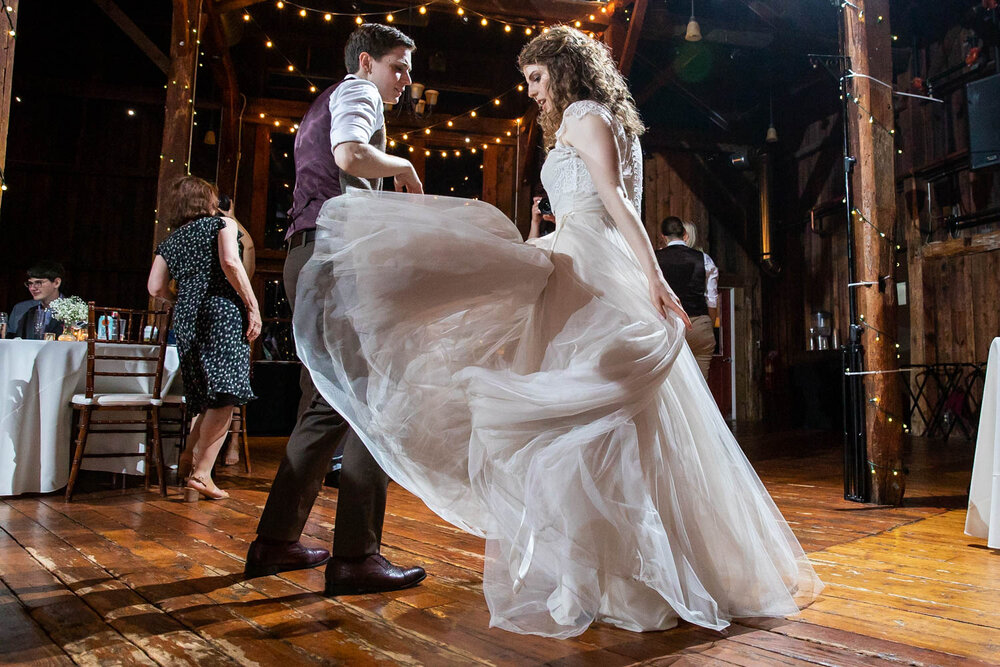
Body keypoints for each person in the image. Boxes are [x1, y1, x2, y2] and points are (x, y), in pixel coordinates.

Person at [295, 25, 821, 638]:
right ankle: (599, 569)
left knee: (602, 423)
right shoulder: (594, 120)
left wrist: (654, 279)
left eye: (538, 79)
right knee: (584, 426)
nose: (533, 93)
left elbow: (618, 204)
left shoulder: (588, 115)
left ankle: (631, 570)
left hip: (594, 276)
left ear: (566, 71)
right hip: (569, 262)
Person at [244, 24, 426, 597]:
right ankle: (355, 556)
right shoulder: (358, 92)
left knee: (326, 402)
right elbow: (350, 153)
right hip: (334, 259)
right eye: (398, 66)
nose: (405, 80)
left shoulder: (321, 105)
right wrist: (402, 167)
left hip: (307, 257)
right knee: (373, 401)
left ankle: (275, 542)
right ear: (367, 62)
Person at [147, 176, 260, 500]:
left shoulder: (171, 240)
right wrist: (252, 307)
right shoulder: (221, 224)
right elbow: (230, 262)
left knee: (206, 396)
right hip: (221, 311)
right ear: (207, 201)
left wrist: (184, 301)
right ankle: (201, 473)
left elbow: (155, 288)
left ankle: (188, 456)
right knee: (225, 396)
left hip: (185, 317)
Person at [656, 216, 719, 380]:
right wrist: (707, 325)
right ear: (685, 234)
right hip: (698, 325)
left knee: (670, 386)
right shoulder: (704, 260)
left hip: (667, 327)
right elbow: (711, 301)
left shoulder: (654, 261)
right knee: (701, 387)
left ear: (663, 236)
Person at [11, 260, 67, 339]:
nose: (32, 288)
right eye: (30, 283)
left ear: (56, 283)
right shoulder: (28, 313)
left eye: (38, 283)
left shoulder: (75, 312)